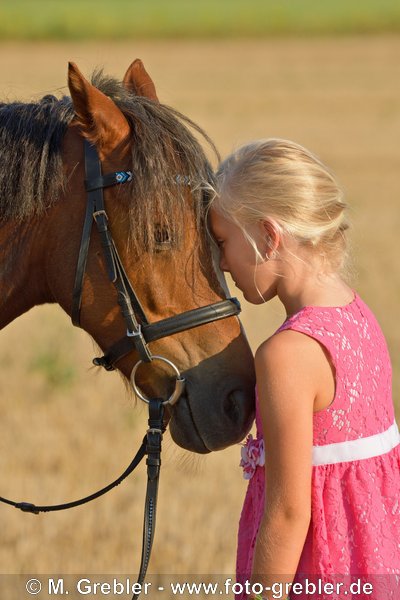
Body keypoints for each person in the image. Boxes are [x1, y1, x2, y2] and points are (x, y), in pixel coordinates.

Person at [208, 139, 400, 600]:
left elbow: (288, 513)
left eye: (222, 242)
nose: (219, 263)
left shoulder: (286, 356)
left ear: (269, 236)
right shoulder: (359, 317)